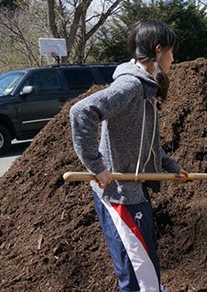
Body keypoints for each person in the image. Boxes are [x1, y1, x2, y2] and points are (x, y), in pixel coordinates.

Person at [69, 19, 187, 291]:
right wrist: (96, 166)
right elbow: (81, 112)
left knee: (144, 259)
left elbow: (146, 144)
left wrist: (170, 166)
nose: (174, 57)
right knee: (136, 268)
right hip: (119, 192)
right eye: (171, 50)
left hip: (133, 188)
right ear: (158, 50)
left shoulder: (147, 87)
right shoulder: (131, 86)